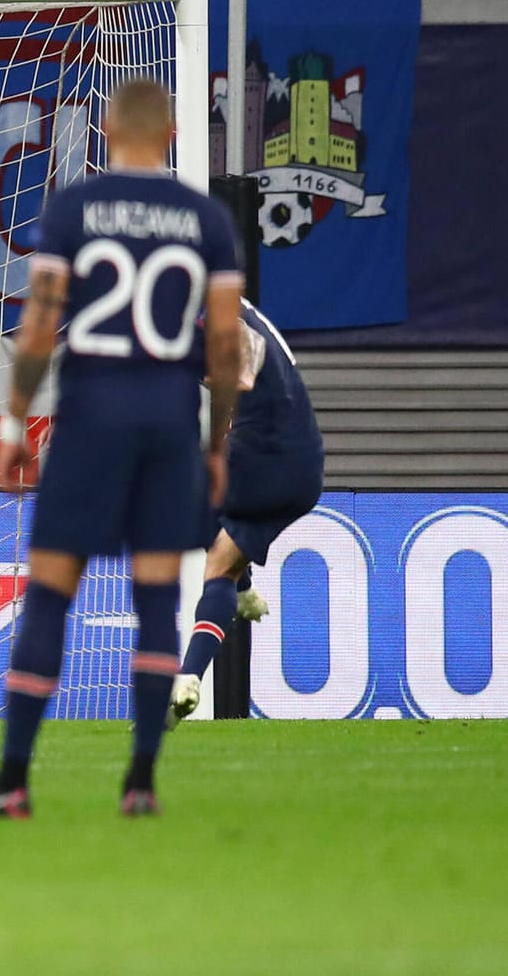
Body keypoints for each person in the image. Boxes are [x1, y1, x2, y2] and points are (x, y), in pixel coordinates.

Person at [0, 78, 244, 821]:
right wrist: (214, 441)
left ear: (106, 130)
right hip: (169, 423)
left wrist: (14, 423)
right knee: (153, 601)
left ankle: (13, 779)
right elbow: (227, 345)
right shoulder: (206, 220)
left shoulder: (75, 208)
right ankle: (140, 782)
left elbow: (41, 323)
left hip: (89, 420)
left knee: (49, 592)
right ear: (173, 131)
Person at [167, 298, 324, 726]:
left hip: (260, 461)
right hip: (306, 470)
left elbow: (240, 350)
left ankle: (240, 593)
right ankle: (189, 676)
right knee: (221, 565)